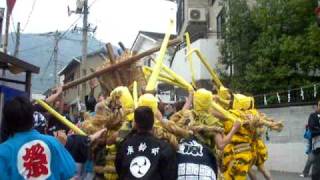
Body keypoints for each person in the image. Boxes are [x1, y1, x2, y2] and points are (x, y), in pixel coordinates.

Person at [0, 96, 76, 179]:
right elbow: (69, 171)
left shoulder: (3, 151)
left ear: (7, 121)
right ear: (32, 117)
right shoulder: (53, 142)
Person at [115, 106, 177, 180]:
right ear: (153, 122)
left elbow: (119, 169)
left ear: (135, 123)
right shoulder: (164, 148)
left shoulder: (124, 145)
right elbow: (171, 175)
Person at [308, 100, 320, 180]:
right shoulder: (313, 116)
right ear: (317, 106)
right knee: (316, 167)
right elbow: (312, 129)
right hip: (317, 145)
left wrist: (318, 128)